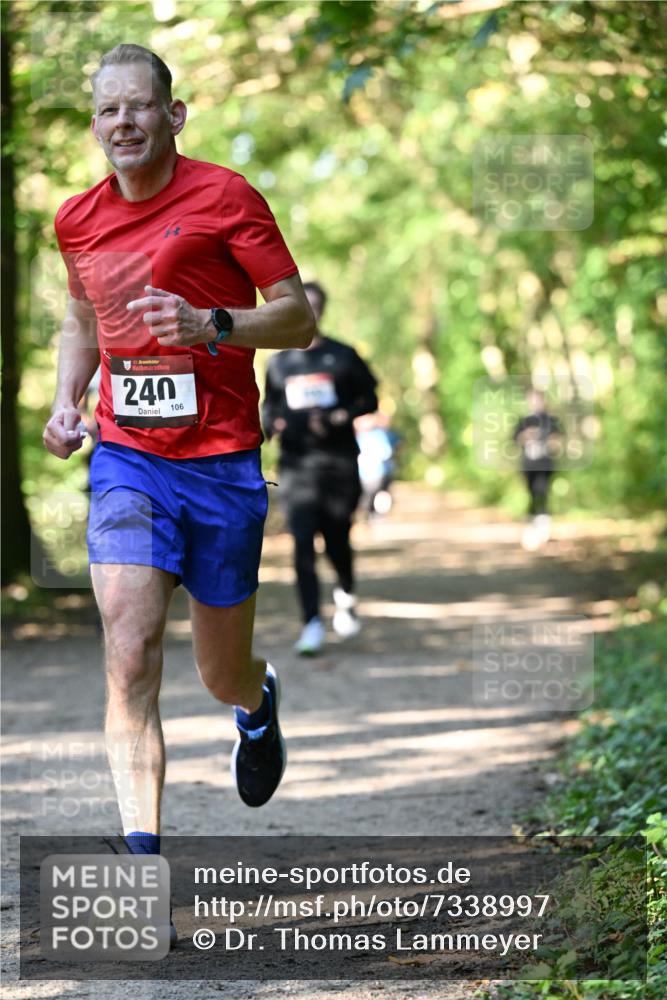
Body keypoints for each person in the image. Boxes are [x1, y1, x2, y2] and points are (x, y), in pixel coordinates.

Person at [41, 43, 315, 940]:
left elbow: (299, 315)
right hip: (127, 454)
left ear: (174, 114)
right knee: (129, 646)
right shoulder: (76, 219)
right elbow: (83, 318)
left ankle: (254, 701)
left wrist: (214, 324)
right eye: (107, 110)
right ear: (97, 125)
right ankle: (142, 858)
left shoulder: (225, 197)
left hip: (225, 458)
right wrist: (65, 401)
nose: (123, 123)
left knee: (215, 670)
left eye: (139, 107)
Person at [262, 282, 378, 656]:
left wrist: (342, 414)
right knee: (301, 543)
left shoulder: (343, 356)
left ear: (322, 311)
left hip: (339, 462)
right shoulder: (279, 363)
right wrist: (270, 426)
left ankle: (345, 592)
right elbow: (269, 408)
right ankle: (311, 622)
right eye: (301, 305)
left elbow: (370, 398)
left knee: (337, 538)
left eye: (314, 306)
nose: (307, 313)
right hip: (296, 467)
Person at [512, 388, 562, 548]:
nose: (535, 403)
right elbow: (515, 439)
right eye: (532, 400)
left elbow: (558, 440)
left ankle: (543, 529)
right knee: (532, 494)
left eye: (537, 400)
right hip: (528, 465)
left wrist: (549, 441)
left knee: (543, 492)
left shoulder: (551, 420)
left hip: (545, 464)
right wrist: (526, 436)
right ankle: (532, 528)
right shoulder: (523, 421)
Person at [355, 410, 399, 517]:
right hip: (366, 475)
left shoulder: (379, 434)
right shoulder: (361, 436)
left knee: (376, 498)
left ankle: (375, 516)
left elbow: (386, 452)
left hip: (377, 473)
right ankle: (371, 516)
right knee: (369, 500)